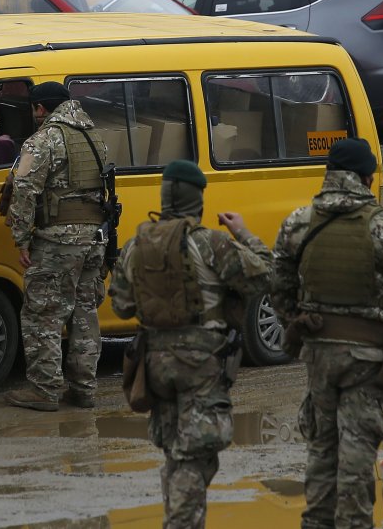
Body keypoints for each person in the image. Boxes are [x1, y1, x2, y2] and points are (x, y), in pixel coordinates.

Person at [270, 138, 383, 529]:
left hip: (318, 354)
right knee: (357, 450)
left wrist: (296, 323)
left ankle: (317, 521)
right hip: (368, 357)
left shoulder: (298, 222)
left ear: (329, 174)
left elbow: (278, 287)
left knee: (321, 447)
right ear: (366, 178)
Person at [109, 160, 272, 529]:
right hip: (200, 364)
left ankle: (179, 519)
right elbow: (265, 277)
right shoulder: (211, 243)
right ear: (198, 198)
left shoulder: (136, 245)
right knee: (194, 457)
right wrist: (244, 234)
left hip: (154, 365)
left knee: (176, 452)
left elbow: (121, 306)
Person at [3, 81, 108, 411]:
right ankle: (83, 388)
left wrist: (21, 238)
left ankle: (44, 389)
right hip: (94, 239)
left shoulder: (43, 140)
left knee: (43, 313)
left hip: (57, 241)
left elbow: (24, 190)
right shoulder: (95, 137)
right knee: (84, 314)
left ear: (40, 108)